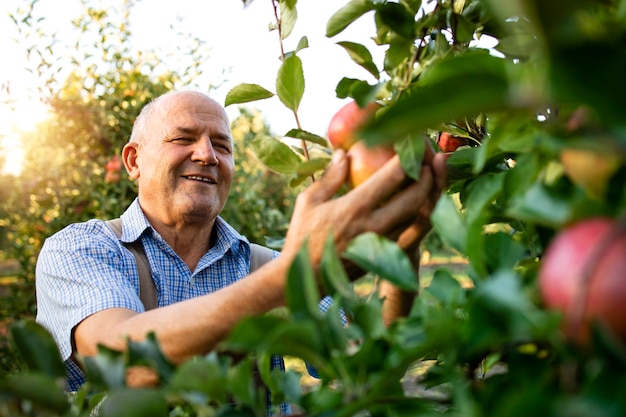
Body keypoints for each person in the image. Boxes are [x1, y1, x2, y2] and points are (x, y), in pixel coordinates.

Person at [35, 90, 447, 413]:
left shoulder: (264, 266)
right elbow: (127, 366)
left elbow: (369, 366)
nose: (207, 155)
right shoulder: (80, 250)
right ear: (133, 161)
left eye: (223, 146)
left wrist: (404, 248)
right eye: (183, 138)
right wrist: (292, 278)